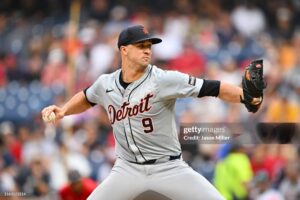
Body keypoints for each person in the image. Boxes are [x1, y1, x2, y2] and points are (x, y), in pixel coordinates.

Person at [42, 25, 264, 200]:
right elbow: (87, 97)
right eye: (140, 45)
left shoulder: (163, 79)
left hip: (168, 167)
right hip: (126, 169)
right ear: (124, 50)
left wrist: (245, 96)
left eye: (149, 45)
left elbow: (211, 87)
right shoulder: (105, 83)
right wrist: (63, 110)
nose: (147, 49)